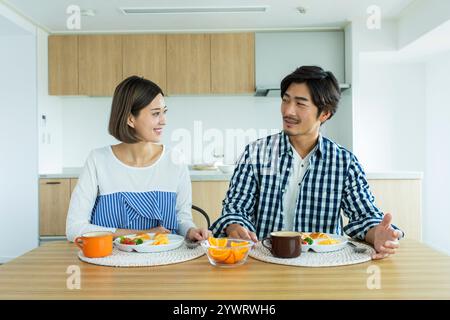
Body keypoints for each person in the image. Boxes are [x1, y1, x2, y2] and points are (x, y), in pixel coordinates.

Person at [211, 66, 403, 260]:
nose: (288, 110)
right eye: (285, 100)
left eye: (300, 104)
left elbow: (364, 217)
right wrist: (234, 226)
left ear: (325, 113)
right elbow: (235, 208)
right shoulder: (256, 153)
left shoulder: (344, 162)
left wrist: (378, 234)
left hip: (322, 265)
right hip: (265, 260)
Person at [66, 76, 209, 242]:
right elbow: (74, 229)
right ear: (130, 119)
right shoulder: (98, 161)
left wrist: (190, 231)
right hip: (108, 262)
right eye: (156, 113)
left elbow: (182, 219)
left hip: (164, 260)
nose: (164, 121)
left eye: (164, 112)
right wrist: (143, 234)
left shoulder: (175, 160)